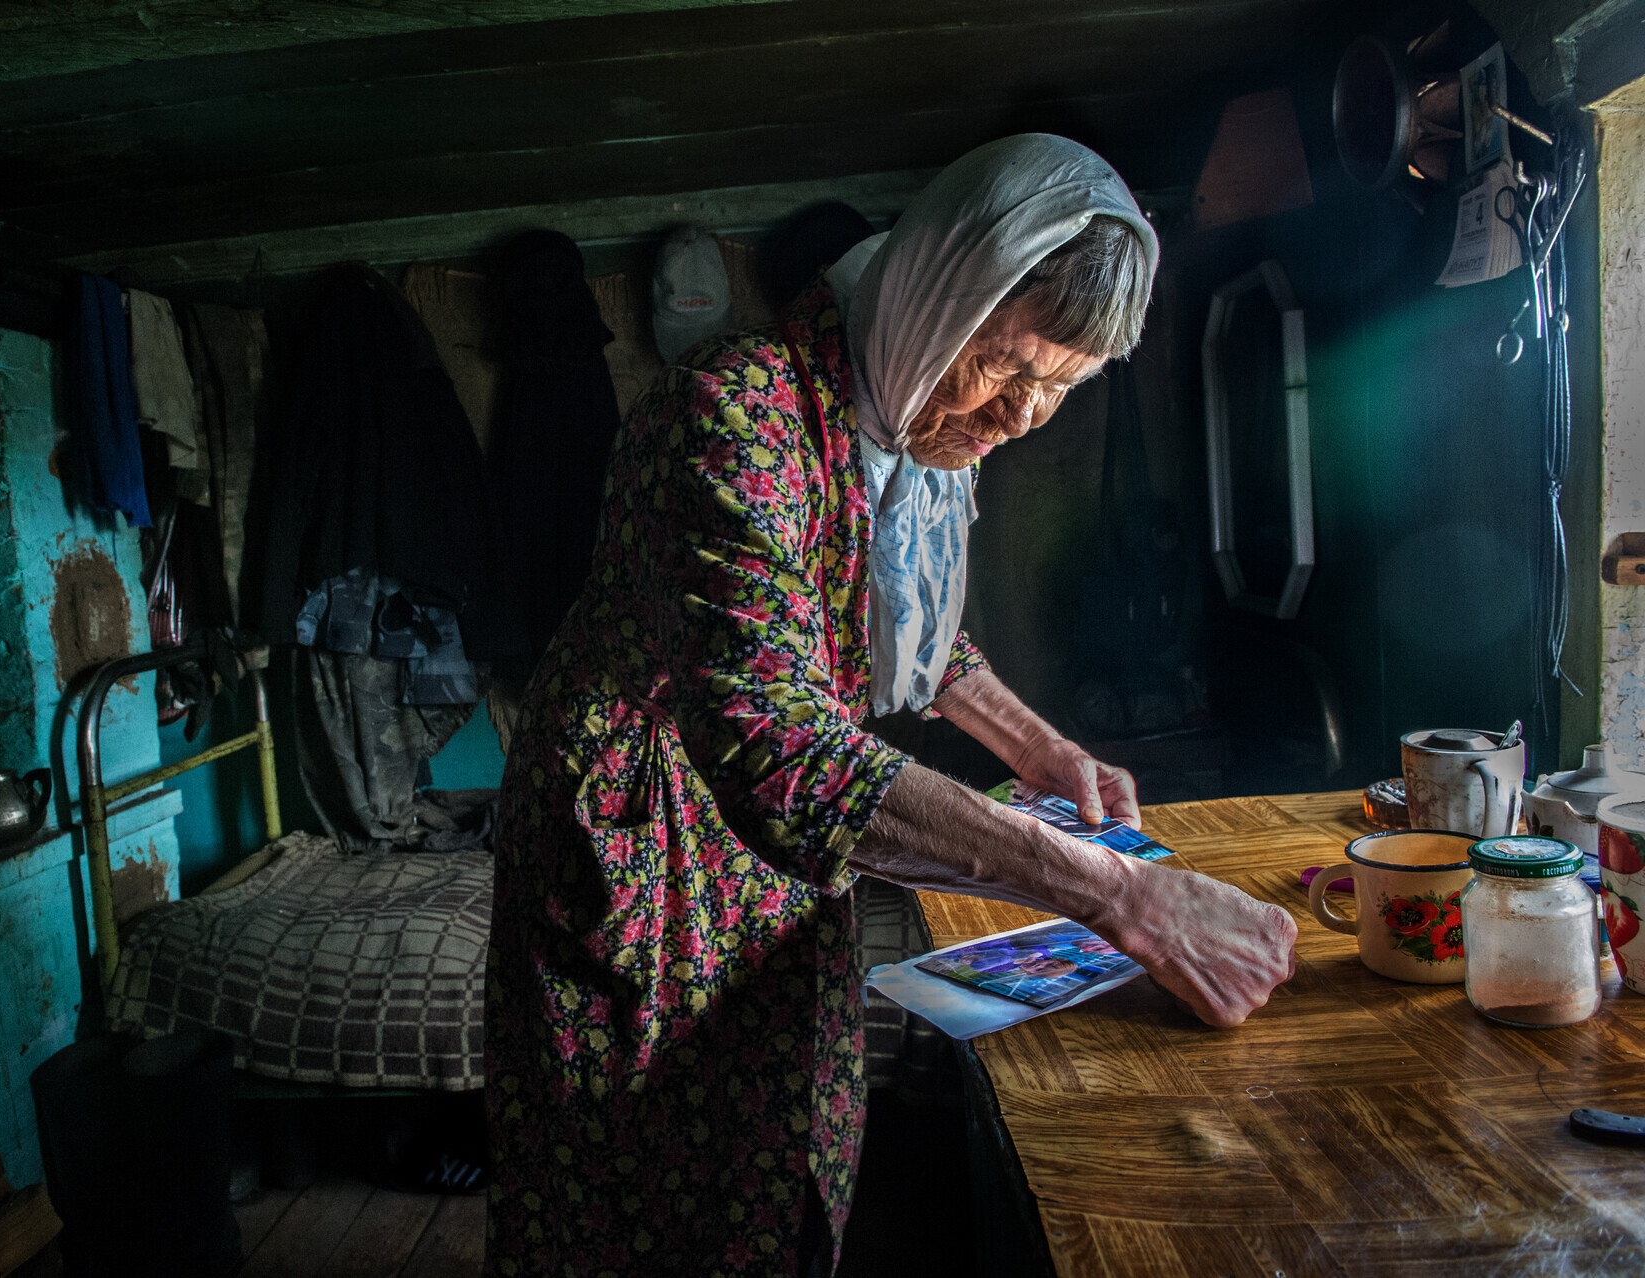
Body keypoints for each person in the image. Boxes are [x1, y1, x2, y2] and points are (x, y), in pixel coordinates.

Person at [484, 134, 1298, 1278]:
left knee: (778, 1160)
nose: (1018, 417)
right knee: (638, 1193)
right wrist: (1125, 898)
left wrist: (1037, 742)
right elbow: (782, 755)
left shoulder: (903, 420)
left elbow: (891, 621)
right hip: (644, 840)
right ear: (940, 289)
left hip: (762, 835)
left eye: (1058, 392)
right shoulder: (733, 418)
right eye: (1008, 368)